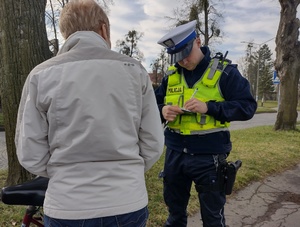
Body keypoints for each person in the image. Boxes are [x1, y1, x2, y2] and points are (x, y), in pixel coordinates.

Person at [15, 0, 164, 226]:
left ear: (66, 34)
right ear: (103, 28)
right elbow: (153, 142)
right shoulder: (134, 71)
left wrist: (63, 173)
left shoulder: (41, 75)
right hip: (127, 201)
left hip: (67, 205)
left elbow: (29, 152)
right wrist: (127, 172)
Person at [155, 20, 257, 227]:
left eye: (185, 54)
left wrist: (209, 107)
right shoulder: (171, 77)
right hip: (174, 155)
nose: (182, 61)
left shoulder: (225, 72)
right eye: (177, 57)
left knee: (212, 219)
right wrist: (162, 111)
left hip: (209, 158)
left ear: (198, 42)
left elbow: (247, 107)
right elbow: (152, 107)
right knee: (174, 216)